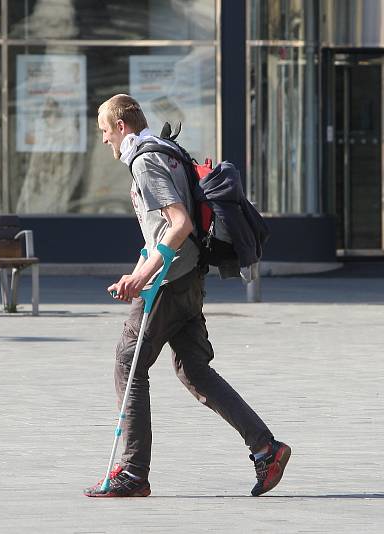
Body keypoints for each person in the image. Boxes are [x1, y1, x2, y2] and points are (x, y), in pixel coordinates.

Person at [84, 94, 290, 498]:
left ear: (121, 126)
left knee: (129, 364)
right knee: (195, 371)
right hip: (189, 277)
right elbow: (166, 228)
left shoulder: (145, 161)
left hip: (169, 282)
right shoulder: (169, 151)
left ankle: (132, 472)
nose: (105, 141)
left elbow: (178, 223)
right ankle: (266, 448)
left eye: (105, 132)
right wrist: (142, 264)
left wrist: (141, 277)